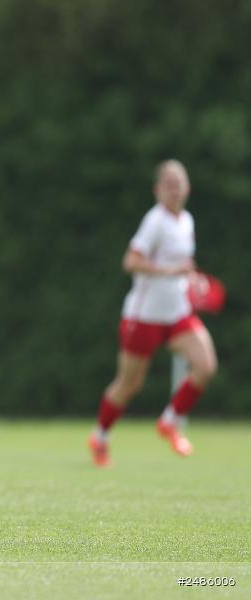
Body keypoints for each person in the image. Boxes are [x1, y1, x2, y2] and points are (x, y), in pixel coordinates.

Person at [88, 160, 218, 467]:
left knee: (206, 366)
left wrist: (193, 279)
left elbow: (184, 264)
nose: (175, 190)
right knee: (129, 384)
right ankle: (100, 437)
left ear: (187, 188)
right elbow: (131, 262)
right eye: (168, 184)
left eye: (179, 183)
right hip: (143, 316)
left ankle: (170, 421)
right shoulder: (155, 221)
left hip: (176, 314)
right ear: (157, 190)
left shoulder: (186, 221)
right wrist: (170, 270)